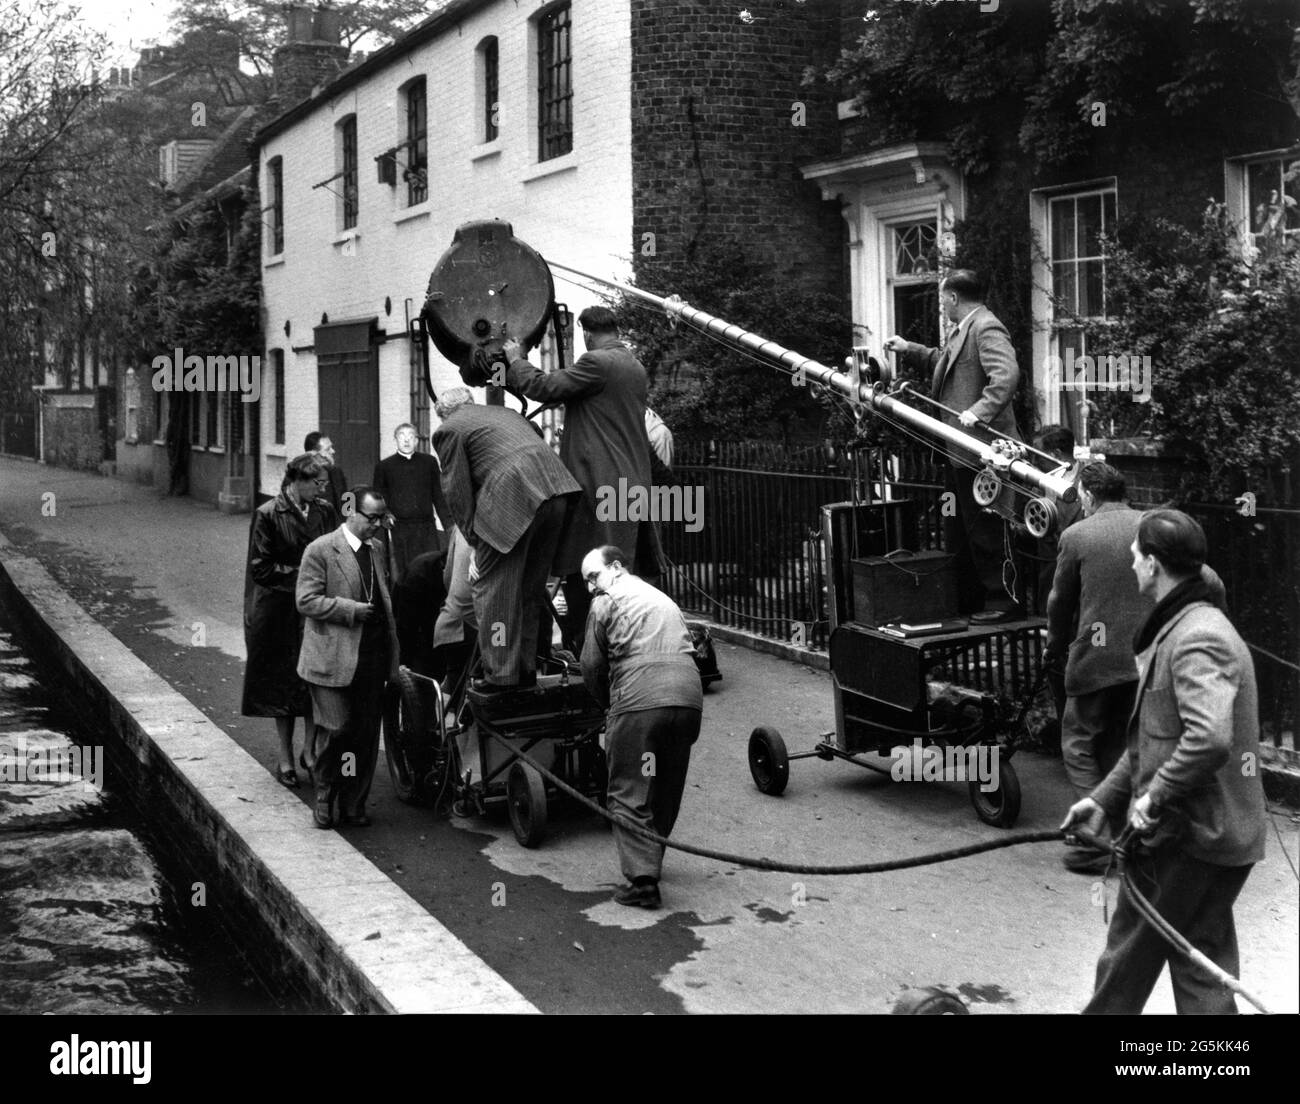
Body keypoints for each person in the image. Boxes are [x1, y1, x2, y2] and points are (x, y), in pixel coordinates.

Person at [1061, 509, 1266, 1014]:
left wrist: (1152, 797)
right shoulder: (1181, 625)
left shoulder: (1199, 636)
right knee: (1202, 972)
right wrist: (1102, 801)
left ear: (1153, 565)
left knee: (1124, 966)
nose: (1131, 565)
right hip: (1209, 836)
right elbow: (1153, 741)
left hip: (1188, 838)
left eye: (1135, 557)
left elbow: (1208, 738)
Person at [1047, 463, 1226, 873]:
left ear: (1089, 497)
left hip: (1099, 657)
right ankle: (1135, 835)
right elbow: (1212, 582)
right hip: (1149, 658)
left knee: (1078, 739)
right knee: (1131, 741)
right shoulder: (1155, 527)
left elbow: (1059, 602)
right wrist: (1215, 619)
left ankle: (1095, 840)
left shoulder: (1076, 535)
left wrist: (1055, 646)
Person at [504, 305, 653, 648]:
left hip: (600, 482)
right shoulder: (634, 366)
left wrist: (515, 360)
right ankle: (622, 645)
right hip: (629, 482)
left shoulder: (597, 363)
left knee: (587, 568)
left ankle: (589, 650)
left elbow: (542, 387)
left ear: (586, 334)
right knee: (619, 568)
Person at [884, 269, 1022, 614]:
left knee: (986, 528)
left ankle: (1003, 602)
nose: (941, 304)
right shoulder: (966, 329)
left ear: (954, 298)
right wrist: (908, 348)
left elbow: (1006, 376)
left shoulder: (986, 326)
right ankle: (970, 599)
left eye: (942, 298)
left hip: (982, 452)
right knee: (960, 528)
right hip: (959, 450)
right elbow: (946, 364)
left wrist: (980, 411)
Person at [431, 388, 581, 693]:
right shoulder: (505, 414)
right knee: (530, 591)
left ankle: (500, 675)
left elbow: (456, 492)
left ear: (443, 414)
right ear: (470, 404)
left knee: (493, 592)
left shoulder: (449, 430)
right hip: (558, 492)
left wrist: (475, 543)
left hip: (512, 499)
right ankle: (525, 668)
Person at [580, 545, 703, 909]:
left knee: (629, 789)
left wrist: (609, 707)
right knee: (666, 782)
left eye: (593, 577)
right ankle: (652, 858)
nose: (590, 587)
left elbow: (591, 665)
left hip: (639, 701)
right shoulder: (663, 599)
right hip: (687, 701)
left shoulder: (607, 601)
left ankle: (643, 882)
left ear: (616, 567)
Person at [296, 486, 401, 829]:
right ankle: (325, 795)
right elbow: (306, 600)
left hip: (371, 659)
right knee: (337, 730)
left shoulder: (379, 549)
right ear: (350, 513)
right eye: (373, 518)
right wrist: (351, 610)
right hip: (332, 660)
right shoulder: (321, 550)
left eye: (382, 517)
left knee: (365, 734)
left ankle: (353, 802)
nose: (379, 524)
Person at [241, 453, 336, 788]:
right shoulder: (267, 514)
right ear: (298, 480)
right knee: (282, 688)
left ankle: (309, 751)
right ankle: (285, 756)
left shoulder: (324, 511)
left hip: (312, 611)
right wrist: (306, 578)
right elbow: (261, 568)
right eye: (317, 483)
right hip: (279, 612)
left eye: (324, 484)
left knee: (313, 681)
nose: (322, 489)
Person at [372, 423, 452, 586]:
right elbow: (379, 498)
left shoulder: (429, 462)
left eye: (411, 436)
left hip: (426, 528)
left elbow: (439, 496)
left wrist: (450, 526)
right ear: (395, 440)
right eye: (402, 436)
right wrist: (386, 515)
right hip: (401, 530)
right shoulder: (384, 466)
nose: (406, 440)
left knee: (432, 569)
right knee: (405, 573)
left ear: (417, 440)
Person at [305, 430, 347, 517]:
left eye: (331, 447)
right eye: (328, 449)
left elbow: (346, 503)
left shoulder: (337, 472)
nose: (333, 451)